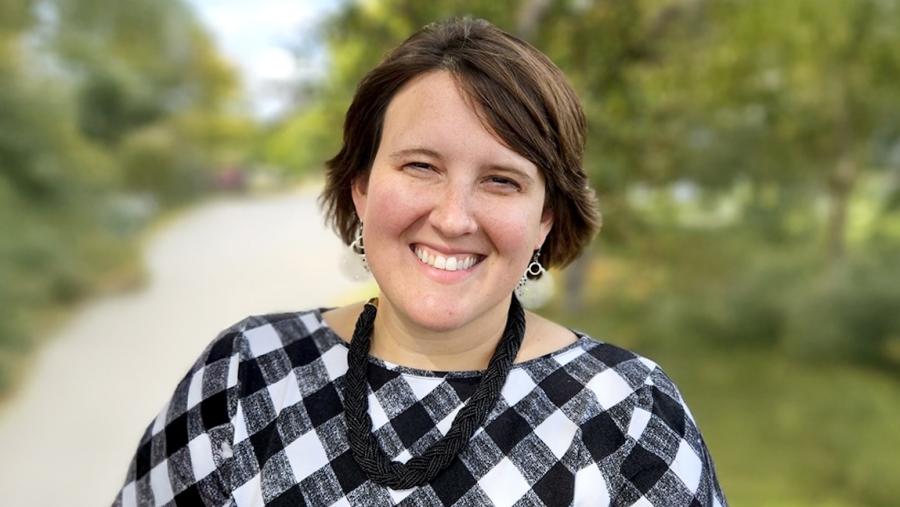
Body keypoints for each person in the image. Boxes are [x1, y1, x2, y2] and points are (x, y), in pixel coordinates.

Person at [114, 18, 727, 506]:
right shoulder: (245, 376)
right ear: (361, 187)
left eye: (502, 180)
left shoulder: (628, 415)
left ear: (545, 218)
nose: (454, 218)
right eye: (420, 166)